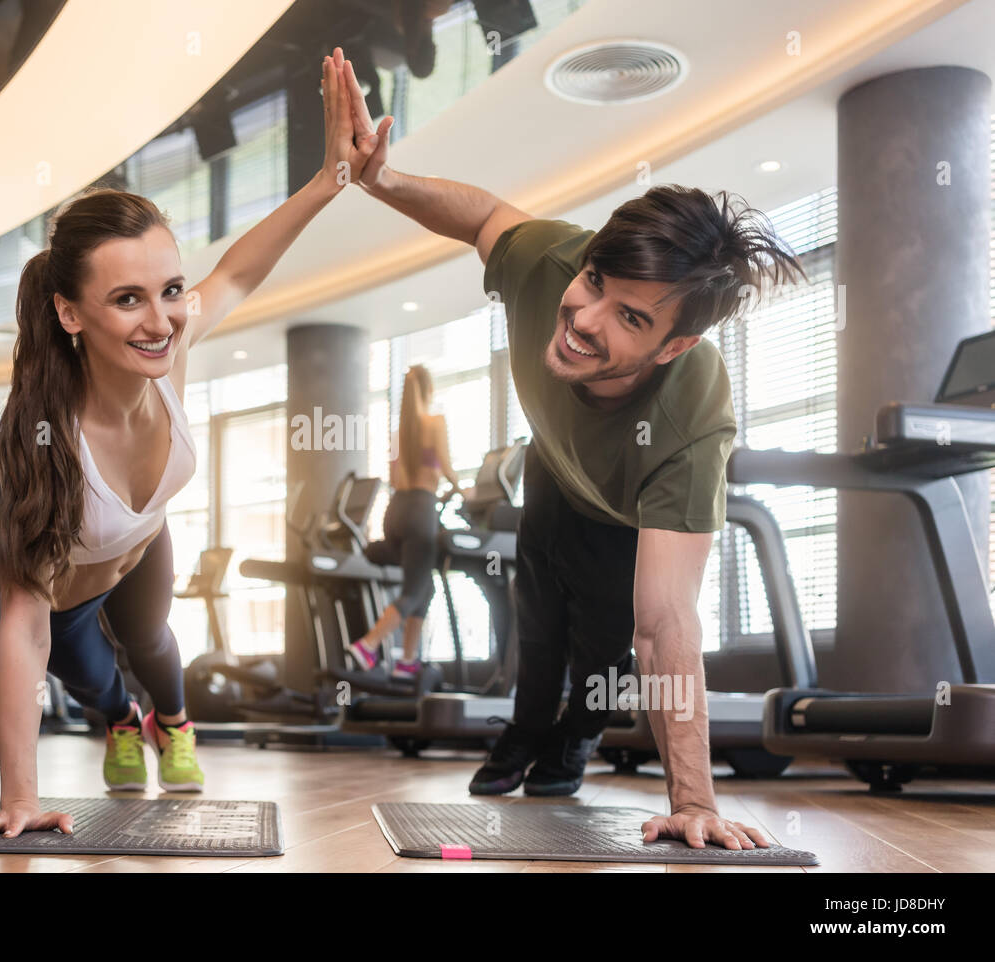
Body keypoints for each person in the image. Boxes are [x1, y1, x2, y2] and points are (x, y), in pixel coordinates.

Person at [332, 48, 804, 851]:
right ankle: (523, 737)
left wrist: (693, 799)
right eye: (595, 284)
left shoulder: (693, 421)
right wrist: (382, 179)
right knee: (537, 620)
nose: (586, 318)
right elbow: (484, 217)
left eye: (631, 318)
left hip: (625, 508)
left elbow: (666, 624)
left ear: (672, 347)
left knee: (608, 646)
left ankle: (576, 741)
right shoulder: (550, 263)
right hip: (555, 465)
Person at [0, 56, 380, 841]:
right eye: (127, 299)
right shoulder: (44, 442)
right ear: (70, 314)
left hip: (141, 544)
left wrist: (329, 179)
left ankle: (173, 723)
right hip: (65, 593)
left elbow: (242, 272)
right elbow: (24, 627)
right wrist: (19, 796)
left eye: (170, 289)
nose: (162, 320)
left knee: (154, 640)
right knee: (95, 681)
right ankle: (122, 722)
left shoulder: (171, 345)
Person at [349, 364, 462, 679]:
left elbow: (396, 478)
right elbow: (448, 469)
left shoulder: (402, 431)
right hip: (420, 509)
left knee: (424, 588)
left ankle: (407, 662)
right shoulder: (434, 422)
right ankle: (368, 645)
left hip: (395, 511)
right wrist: (462, 490)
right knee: (414, 590)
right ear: (429, 390)